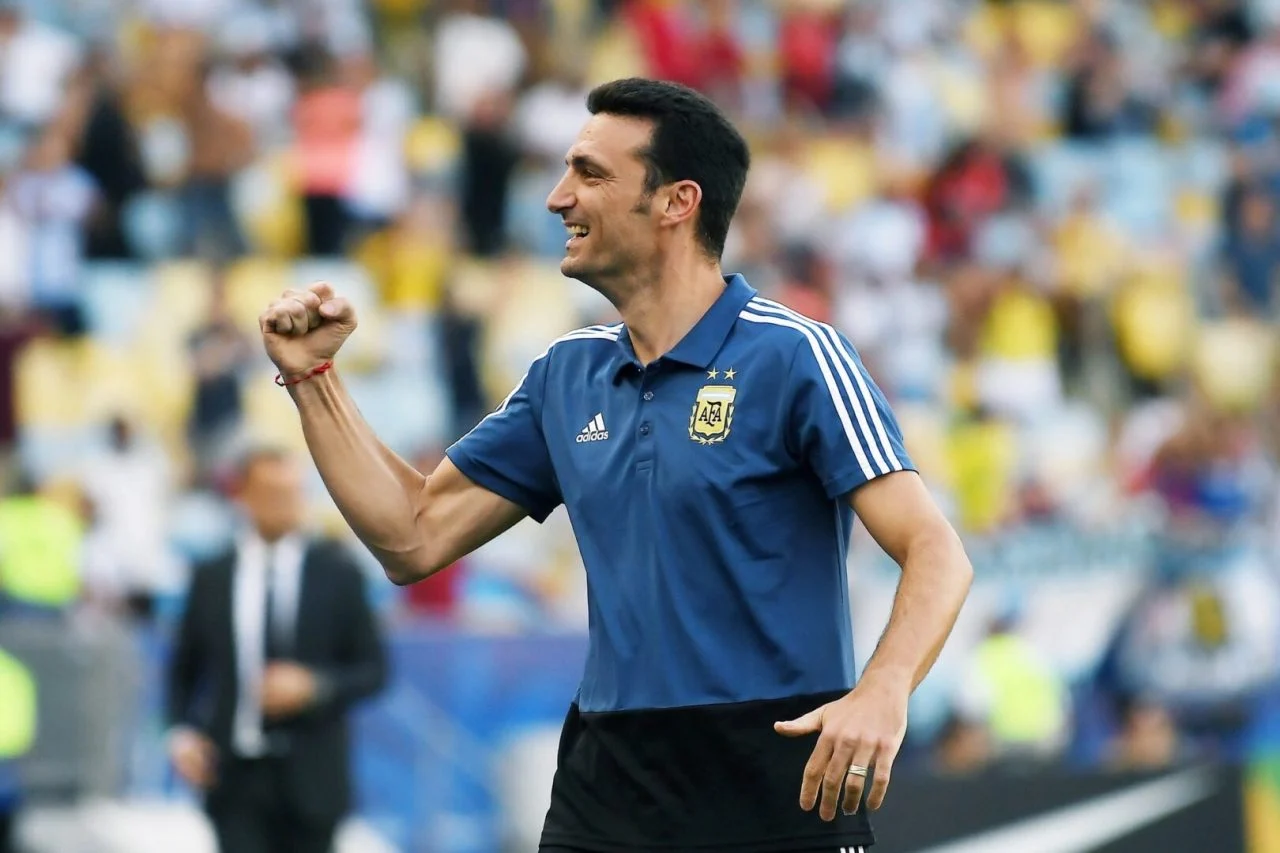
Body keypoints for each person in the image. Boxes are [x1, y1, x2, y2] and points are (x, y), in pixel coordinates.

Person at [258, 78, 973, 852]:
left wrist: (884, 687)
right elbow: (413, 534)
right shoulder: (566, 374)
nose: (557, 197)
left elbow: (935, 549)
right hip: (607, 781)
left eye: (590, 173)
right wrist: (313, 379)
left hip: (776, 776)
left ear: (676, 202)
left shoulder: (796, 355)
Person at [166, 448, 388, 853]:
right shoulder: (213, 576)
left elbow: (374, 669)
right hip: (235, 780)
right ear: (242, 495)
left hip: (313, 778)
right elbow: (184, 669)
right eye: (270, 492)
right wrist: (182, 734)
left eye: (291, 492)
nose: (283, 504)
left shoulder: (338, 573)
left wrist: (314, 686)